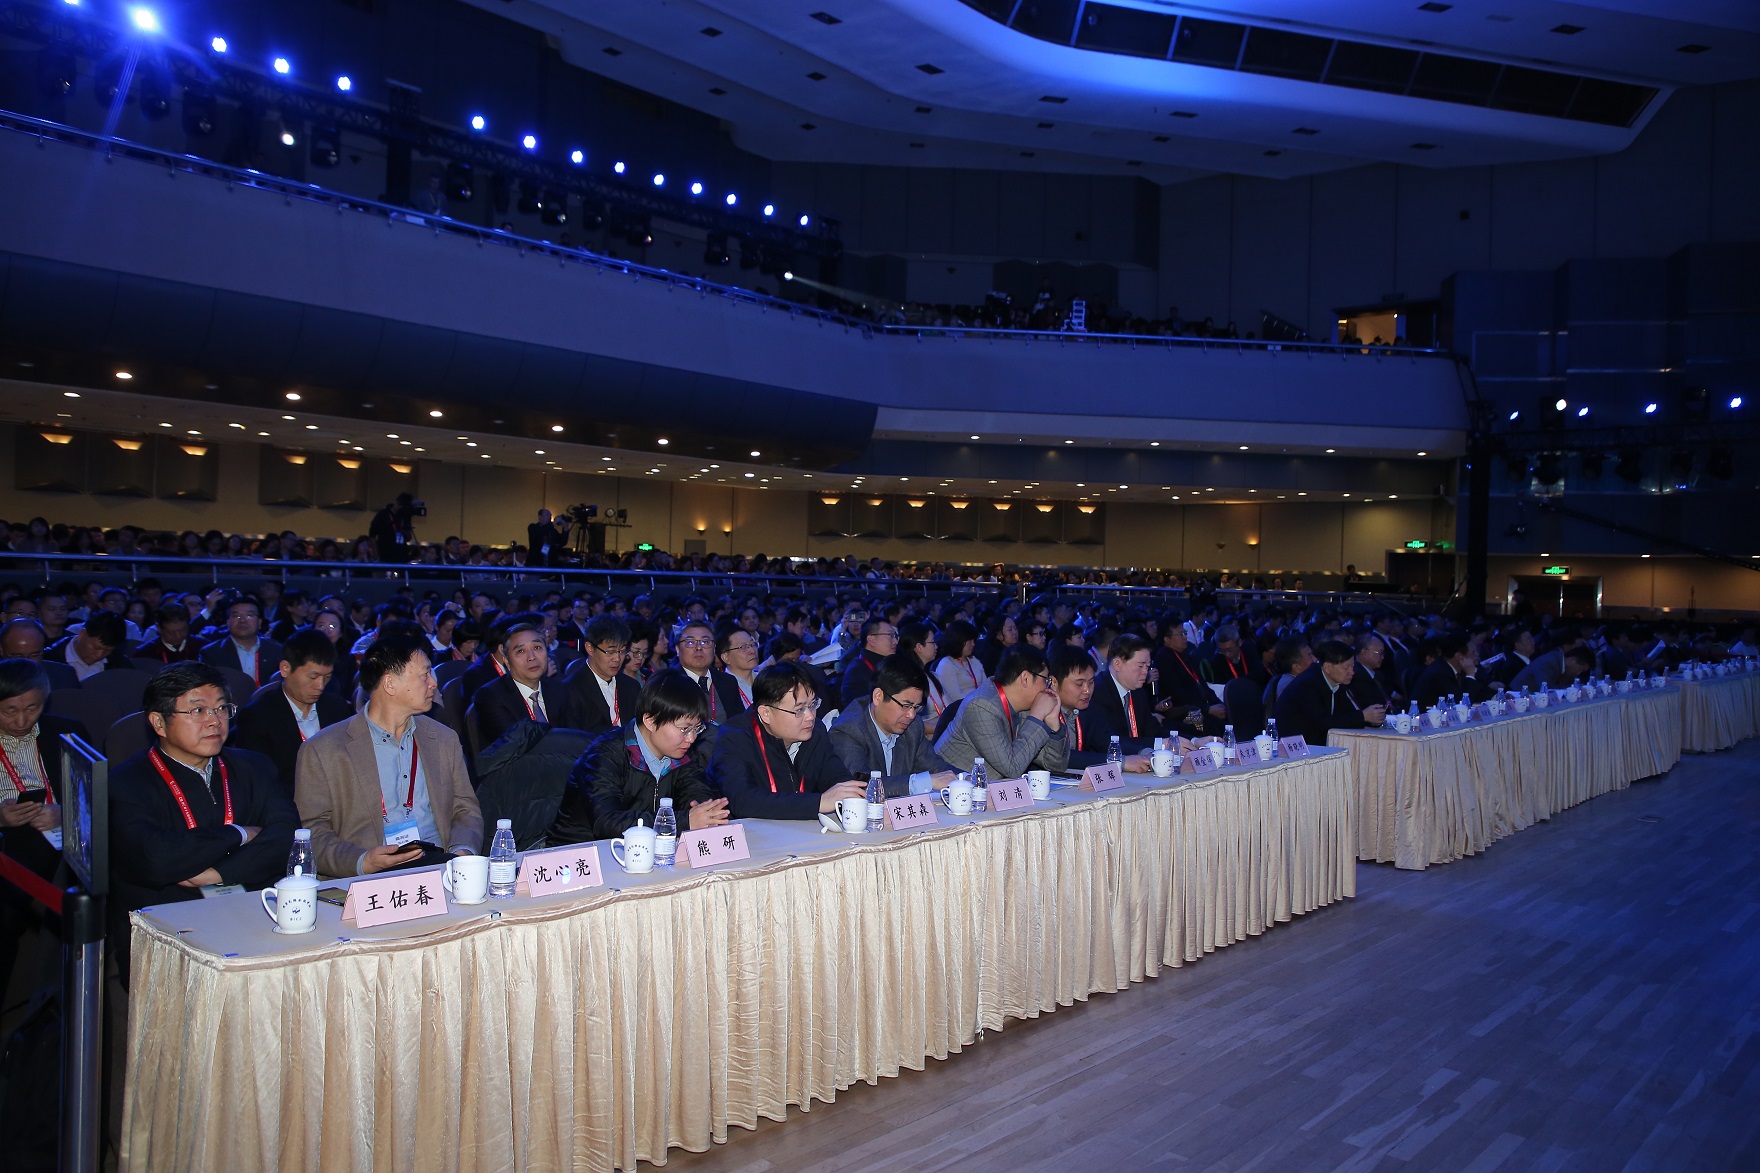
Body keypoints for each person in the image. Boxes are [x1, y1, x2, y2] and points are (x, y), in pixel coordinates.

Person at [108, 664, 297, 976]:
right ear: (159, 722)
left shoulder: (255, 767)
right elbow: (157, 858)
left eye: (222, 708)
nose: (214, 720)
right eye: (198, 710)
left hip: (255, 916)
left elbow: (287, 837)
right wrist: (238, 834)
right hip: (169, 930)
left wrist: (217, 873)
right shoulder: (125, 783)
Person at [294, 634, 483, 878]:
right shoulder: (324, 750)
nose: (433, 683)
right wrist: (362, 862)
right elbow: (312, 833)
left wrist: (461, 853)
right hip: (368, 880)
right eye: (425, 674)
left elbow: (466, 809)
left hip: (441, 870)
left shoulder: (443, 738)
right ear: (390, 684)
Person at [545, 669, 729, 844]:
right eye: (684, 729)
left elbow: (696, 793)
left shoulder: (681, 753)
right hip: (581, 854)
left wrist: (706, 812)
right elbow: (606, 822)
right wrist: (682, 821)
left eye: (697, 728)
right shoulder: (605, 755)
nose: (691, 738)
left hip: (644, 850)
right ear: (650, 721)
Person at [707, 662, 864, 821]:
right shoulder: (734, 737)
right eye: (799, 709)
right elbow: (743, 801)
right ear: (766, 713)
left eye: (813, 705)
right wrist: (818, 803)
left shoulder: (816, 731)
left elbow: (836, 778)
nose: (810, 716)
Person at [228, 629, 354, 797]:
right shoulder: (257, 716)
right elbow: (259, 781)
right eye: (313, 677)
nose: (320, 686)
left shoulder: (338, 708)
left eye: (327, 677)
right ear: (285, 669)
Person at [829, 655, 955, 798]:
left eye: (916, 707)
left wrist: (966, 779)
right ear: (878, 696)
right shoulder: (848, 731)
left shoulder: (913, 727)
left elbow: (937, 769)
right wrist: (923, 782)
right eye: (906, 705)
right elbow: (862, 786)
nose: (911, 715)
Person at [934, 645, 1065, 776]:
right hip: (952, 786)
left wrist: (1053, 725)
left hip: (992, 787)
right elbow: (1012, 768)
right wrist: (1036, 716)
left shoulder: (1025, 707)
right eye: (1045, 680)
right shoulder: (981, 706)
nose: (1047, 687)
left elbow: (1055, 766)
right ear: (1025, 678)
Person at [470, 623, 580, 746]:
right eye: (521, 651)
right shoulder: (490, 696)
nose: (532, 657)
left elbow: (576, 736)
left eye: (537, 648)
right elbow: (516, 746)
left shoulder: (559, 689)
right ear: (507, 661)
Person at [1272, 640, 1387, 748]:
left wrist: (1371, 719)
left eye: (1352, 667)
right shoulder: (1307, 684)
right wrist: (1363, 716)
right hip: (1296, 748)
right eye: (1346, 667)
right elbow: (1322, 721)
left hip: (1319, 743)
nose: (1352, 672)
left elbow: (1346, 715)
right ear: (1327, 667)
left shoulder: (1337, 682)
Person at [562, 615, 640, 734]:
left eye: (622, 651)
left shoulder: (632, 686)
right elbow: (574, 739)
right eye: (610, 652)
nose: (617, 659)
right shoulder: (570, 690)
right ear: (590, 648)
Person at [1088, 634, 1164, 752]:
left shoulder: (1138, 692)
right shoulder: (1097, 692)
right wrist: (1158, 744)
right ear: (1117, 664)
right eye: (1140, 666)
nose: (1145, 672)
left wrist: (1190, 740)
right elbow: (1111, 741)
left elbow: (1153, 730)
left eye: (1148, 666)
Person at [198, 595, 282, 688]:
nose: (242, 620)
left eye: (249, 615)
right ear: (228, 622)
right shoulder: (211, 653)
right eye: (236, 616)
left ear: (259, 623)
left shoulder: (276, 650)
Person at [674, 619, 744, 723]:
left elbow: (740, 723)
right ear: (677, 650)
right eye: (690, 642)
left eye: (705, 642)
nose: (699, 648)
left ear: (714, 648)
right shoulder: (666, 684)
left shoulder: (728, 681)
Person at [45, 610, 131, 681]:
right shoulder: (50, 659)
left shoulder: (118, 662)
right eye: (96, 648)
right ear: (82, 634)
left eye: (107, 651)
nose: (99, 655)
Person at [1414, 633, 1491, 708]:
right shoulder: (1439, 673)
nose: (1477, 655)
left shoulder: (1462, 669)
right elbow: (1460, 704)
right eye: (1473, 652)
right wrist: (1470, 675)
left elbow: (1481, 694)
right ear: (1459, 656)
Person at [0, 618, 78, 691]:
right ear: (1, 650)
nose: (27, 662)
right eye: (18, 656)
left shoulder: (65, 676)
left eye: (34, 655)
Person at [837, 618, 898, 709]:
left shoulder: (890, 662)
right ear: (871, 640)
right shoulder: (856, 672)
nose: (895, 641)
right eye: (890, 635)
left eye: (895, 636)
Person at [932, 619, 984, 705]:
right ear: (958, 641)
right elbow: (957, 699)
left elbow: (987, 686)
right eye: (969, 641)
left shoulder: (973, 660)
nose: (973, 644)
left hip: (981, 704)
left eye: (973, 640)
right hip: (962, 709)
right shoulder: (947, 664)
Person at [717, 625, 761, 709]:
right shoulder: (721, 689)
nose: (752, 651)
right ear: (726, 657)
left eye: (753, 644)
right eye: (743, 647)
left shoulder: (765, 680)